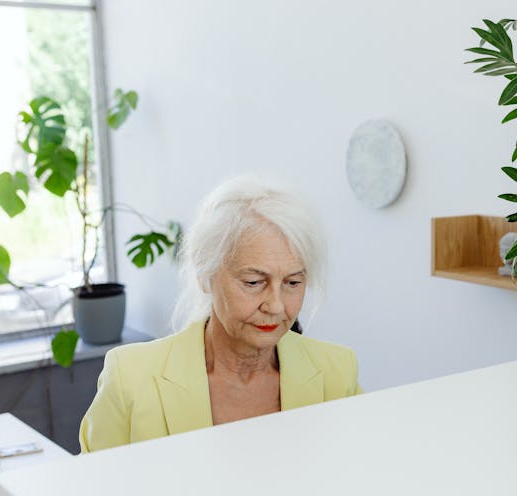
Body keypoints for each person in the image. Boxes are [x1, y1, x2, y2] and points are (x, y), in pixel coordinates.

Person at [79, 176, 362, 452]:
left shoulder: (336, 372)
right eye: (253, 282)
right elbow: (93, 491)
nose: (275, 306)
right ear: (204, 274)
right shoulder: (131, 377)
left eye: (293, 283)